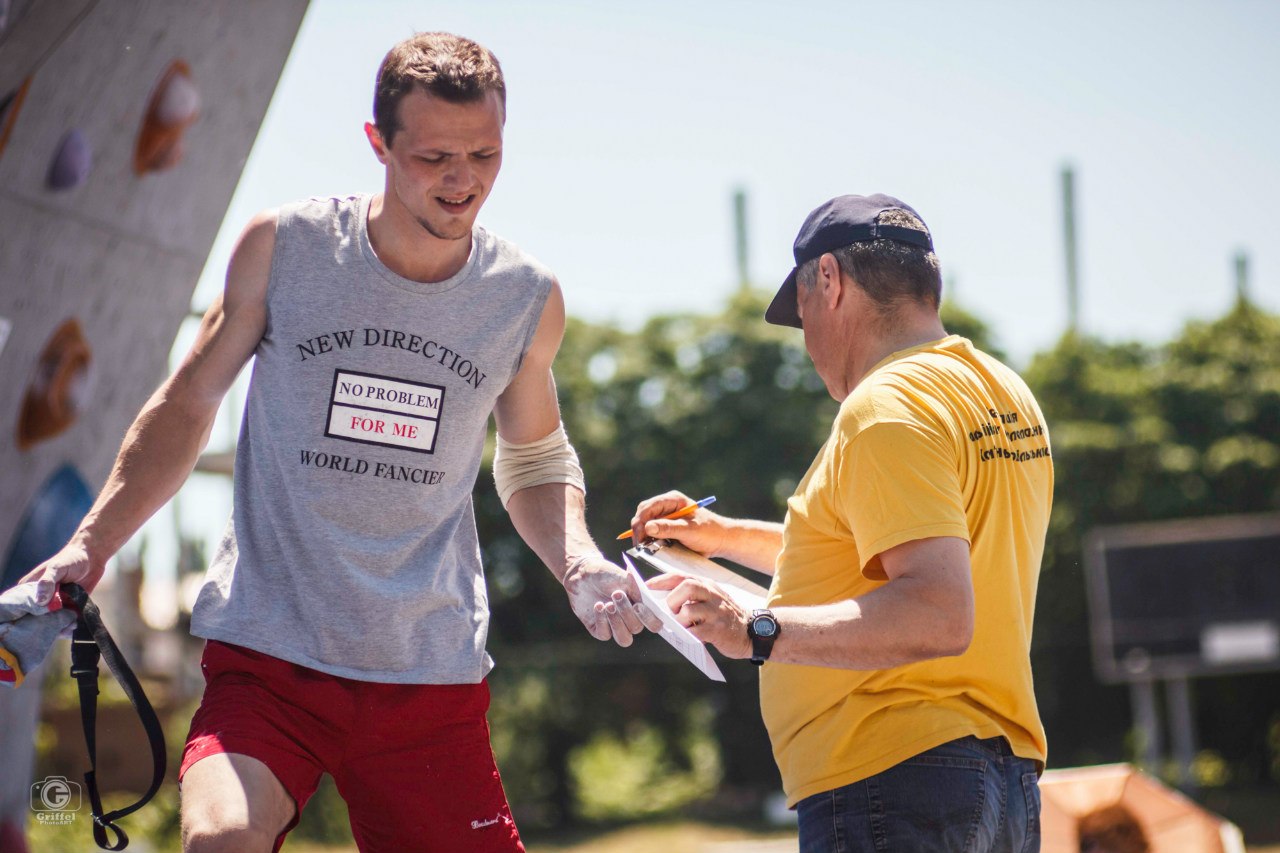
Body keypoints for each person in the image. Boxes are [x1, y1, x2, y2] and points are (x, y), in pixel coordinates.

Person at [21, 31, 658, 853]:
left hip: (427, 675)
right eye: (434, 156)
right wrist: (90, 544)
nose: (463, 180)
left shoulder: (525, 299)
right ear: (378, 143)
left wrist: (579, 562)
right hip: (269, 656)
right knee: (223, 840)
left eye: (485, 153)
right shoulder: (285, 249)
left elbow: (534, 455)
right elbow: (188, 404)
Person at [631, 194, 1053, 853]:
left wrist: (755, 629)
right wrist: (722, 538)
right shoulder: (1001, 392)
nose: (808, 346)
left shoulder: (883, 406)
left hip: (894, 780)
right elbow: (883, 551)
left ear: (829, 279)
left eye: (801, 319)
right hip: (996, 778)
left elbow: (938, 609)